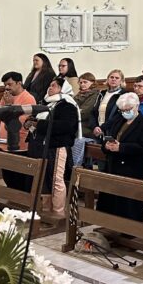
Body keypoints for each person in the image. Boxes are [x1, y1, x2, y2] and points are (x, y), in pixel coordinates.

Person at [96, 91, 143, 222]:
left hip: (131, 168)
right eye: (122, 110)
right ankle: (110, 225)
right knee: (111, 202)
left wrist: (121, 147)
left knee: (128, 205)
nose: (125, 113)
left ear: (136, 106)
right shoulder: (118, 120)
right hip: (113, 165)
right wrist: (106, 146)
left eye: (128, 109)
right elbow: (109, 138)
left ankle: (128, 228)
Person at [28, 76, 80, 218]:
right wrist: (30, 122)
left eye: (54, 86)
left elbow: (66, 126)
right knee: (44, 178)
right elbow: (37, 119)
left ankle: (58, 212)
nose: (50, 88)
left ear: (62, 89)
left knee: (55, 179)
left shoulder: (67, 105)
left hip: (57, 146)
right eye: (50, 85)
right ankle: (46, 211)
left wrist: (39, 124)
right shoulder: (46, 103)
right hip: (42, 145)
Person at [0, 71, 36, 151]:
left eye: (9, 84)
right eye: (5, 85)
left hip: (18, 146)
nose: (6, 87)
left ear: (19, 83)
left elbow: (19, 124)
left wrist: (8, 105)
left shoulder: (28, 99)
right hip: (2, 143)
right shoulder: (6, 96)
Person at [87, 69, 124, 140]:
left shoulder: (123, 94)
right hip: (98, 131)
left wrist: (102, 127)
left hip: (113, 131)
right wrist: (94, 127)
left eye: (117, 78)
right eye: (111, 77)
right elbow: (93, 112)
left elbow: (119, 116)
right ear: (108, 79)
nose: (113, 79)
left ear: (121, 81)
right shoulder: (102, 93)